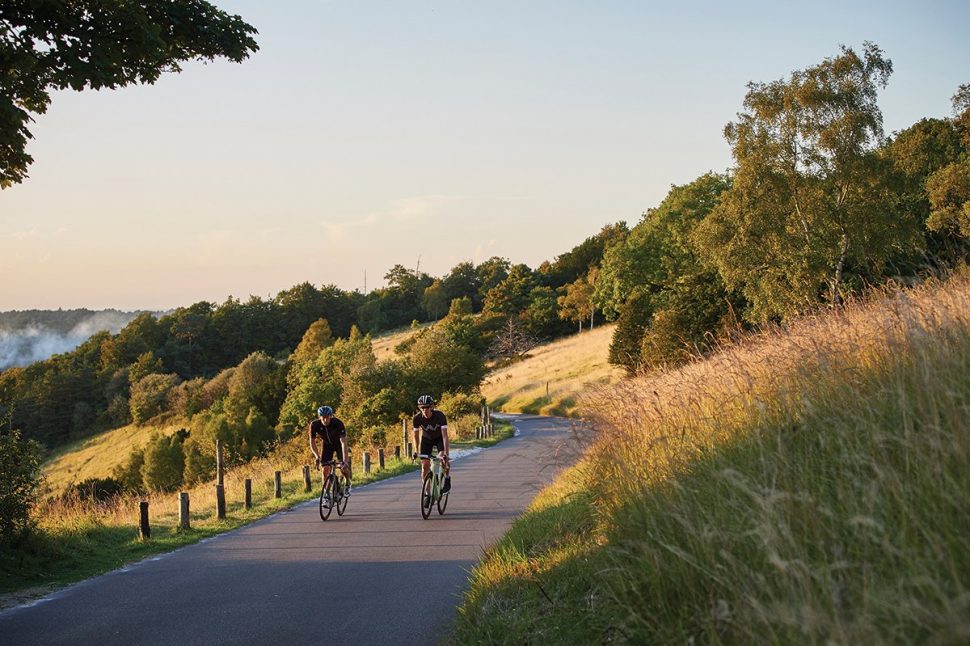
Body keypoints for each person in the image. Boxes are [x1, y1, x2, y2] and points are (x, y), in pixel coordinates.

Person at [412, 395, 450, 502]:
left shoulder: (440, 416)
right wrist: (416, 450)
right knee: (425, 466)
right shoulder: (417, 418)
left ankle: (447, 478)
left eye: (427, 407)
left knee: (443, 458)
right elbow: (415, 436)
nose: (425, 410)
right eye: (422, 408)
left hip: (439, 439)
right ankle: (428, 494)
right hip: (426, 440)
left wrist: (446, 453)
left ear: (431, 407)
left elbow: (445, 436)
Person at [308, 405, 352, 497]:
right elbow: (312, 442)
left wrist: (345, 460)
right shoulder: (314, 425)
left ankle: (348, 483)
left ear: (331, 416)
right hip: (327, 445)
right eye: (323, 417)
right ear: (319, 417)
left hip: (339, 445)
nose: (325, 420)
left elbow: (344, 442)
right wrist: (317, 456)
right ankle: (326, 494)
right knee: (325, 470)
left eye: (327, 417)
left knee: (343, 467)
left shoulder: (338, 423)